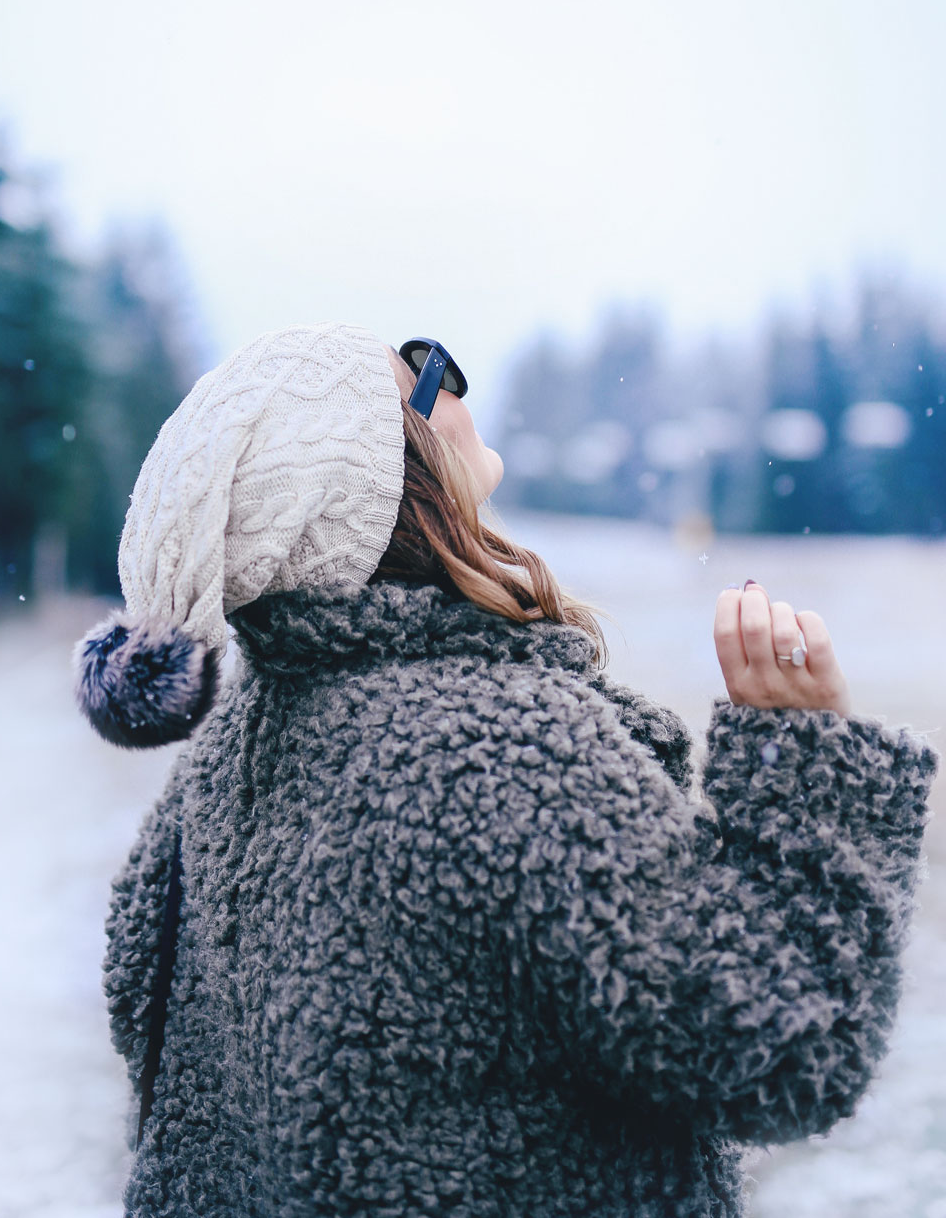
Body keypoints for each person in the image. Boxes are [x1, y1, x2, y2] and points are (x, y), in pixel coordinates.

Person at [75, 321, 938, 1218]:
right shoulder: (503, 754)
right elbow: (780, 1047)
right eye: (420, 370)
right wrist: (808, 774)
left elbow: (158, 1036)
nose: (449, 378)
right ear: (388, 474)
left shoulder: (221, 758)